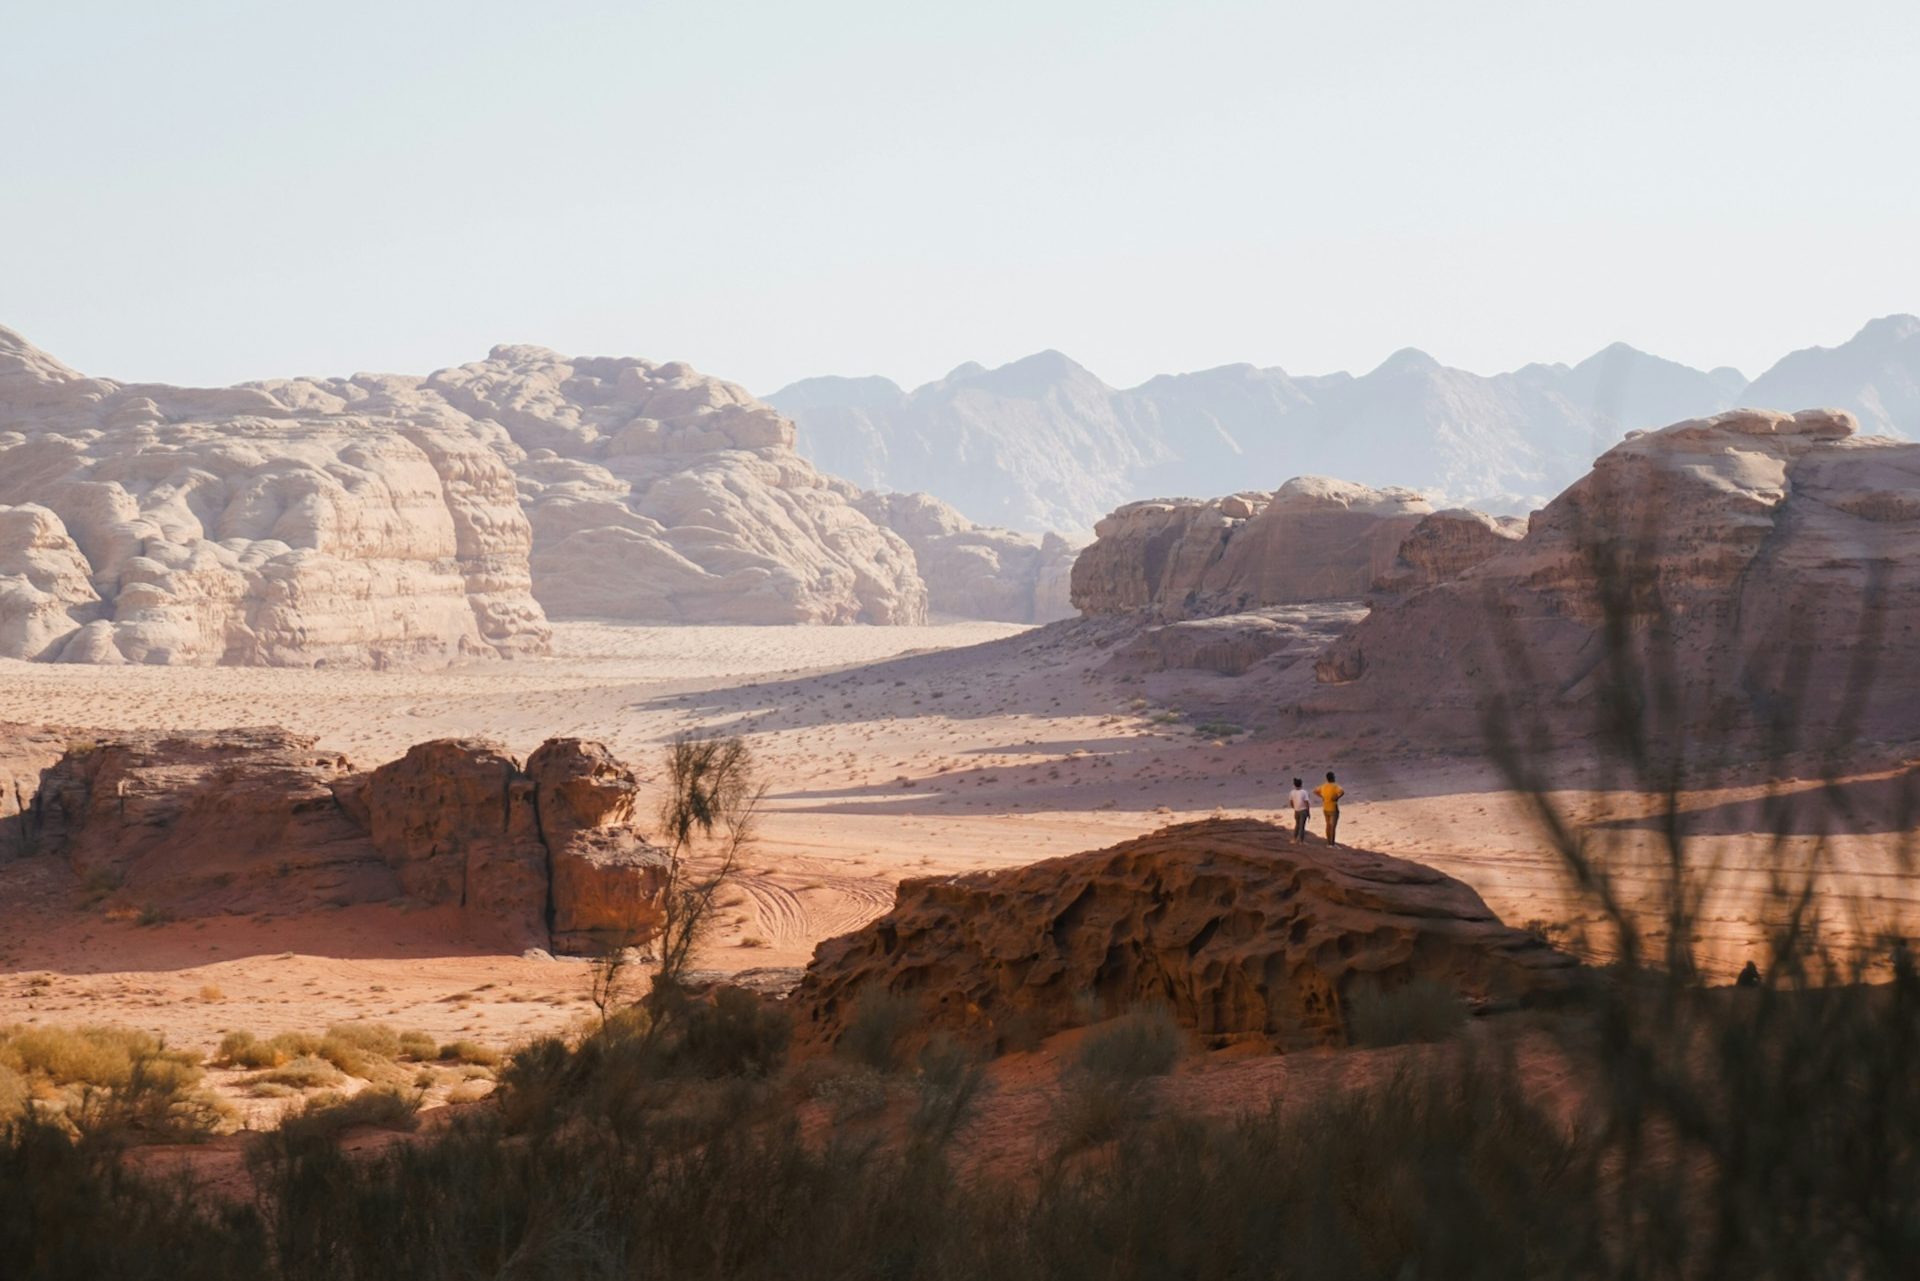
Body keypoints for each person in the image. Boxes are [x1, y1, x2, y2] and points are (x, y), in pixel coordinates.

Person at [1315, 771, 1345, 846]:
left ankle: (1328, 843)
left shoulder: (1324, 786)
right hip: (1333, 808)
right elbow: (1342, 792)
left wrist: (1322, 797)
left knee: (1328, 825)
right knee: (1333, 827)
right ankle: (1332, 844)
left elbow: (1315, 791)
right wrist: (1337, 797)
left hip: (1325, 807)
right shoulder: (1335, 786)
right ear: (1333, 778)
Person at [1287, 777, 1311, 842]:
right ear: (1301, 784)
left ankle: (1294, 838)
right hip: (1303, 810)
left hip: (1296, 810)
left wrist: (1294, 807)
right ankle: (1301, 841)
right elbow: (1306, 803)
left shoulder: (1292, 792)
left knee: (1297, 825)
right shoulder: (1304, 792)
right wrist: (1308, 812)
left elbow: (1291, 802)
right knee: (1302, 826)